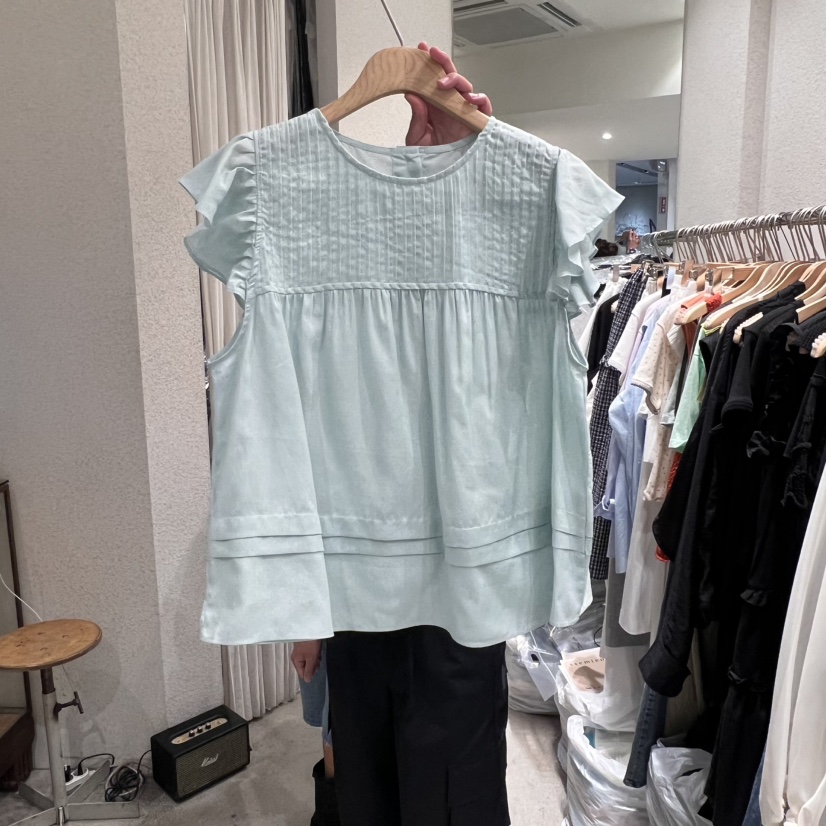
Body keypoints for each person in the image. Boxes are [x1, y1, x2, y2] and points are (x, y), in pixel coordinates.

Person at [291, 42, 494, 826]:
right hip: (352, 579)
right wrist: (304, 603)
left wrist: (466, 178)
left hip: (459, 580)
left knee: (452, 788)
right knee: (363, 779)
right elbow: (297, 434)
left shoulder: (492, 237)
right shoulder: (307, 235)